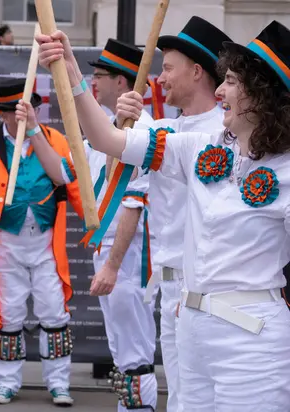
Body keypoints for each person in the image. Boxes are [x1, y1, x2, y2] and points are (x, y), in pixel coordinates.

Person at [36, 20, 290, 411]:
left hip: (252, 339)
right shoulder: (199, 146)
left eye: (233, 82)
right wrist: (72, 74)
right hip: (191, 328)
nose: (220, 90)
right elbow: (109, 139)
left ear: (262, 96)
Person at [110, 17, 231, 412]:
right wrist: (122, 114)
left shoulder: (228, 133)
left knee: (211, 397)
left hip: (210, 289)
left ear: (197, 72)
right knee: (180, 394)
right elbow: (111, 146)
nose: (159, 79)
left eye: (167, 68)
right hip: (171, 287)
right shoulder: (166, 129)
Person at [0, 78, 83, 406]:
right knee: (9, 312)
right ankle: (8, 382)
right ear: (4, 115)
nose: (24, 115)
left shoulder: (55, 141)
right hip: (4, 241)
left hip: (44, 240)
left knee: (53, 310)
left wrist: (94, 223)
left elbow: (74, 184)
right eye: (17, 111)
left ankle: (59, 384)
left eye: (29, 109)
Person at [83, 38, 158, 412]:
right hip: (108, 245)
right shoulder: (109, 126)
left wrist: (113, 265)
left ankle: (138, 408)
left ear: (122, 82)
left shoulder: (142, 129)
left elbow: (135, 201)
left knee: (134, 345)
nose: (93, 82)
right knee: (121, 343)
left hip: (129, 253)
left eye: (99, 75)